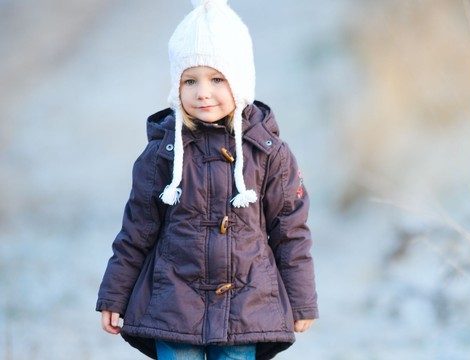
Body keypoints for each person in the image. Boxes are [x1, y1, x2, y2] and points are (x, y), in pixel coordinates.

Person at [95, 1, 318, 359]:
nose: (202, 92)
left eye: (217, 79)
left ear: (240, 81)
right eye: (190, 80)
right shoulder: (162, 154)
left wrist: (301, 298)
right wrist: (115, 294)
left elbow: (289, 230)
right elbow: (137, 231)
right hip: (173, 305)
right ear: (176, 86)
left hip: (246, 308)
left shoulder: (269, 154)